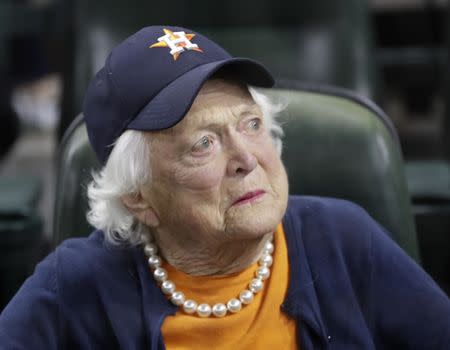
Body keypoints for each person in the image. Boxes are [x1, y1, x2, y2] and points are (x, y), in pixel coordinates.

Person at [0, 25, 449, 350]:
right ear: (138, 196)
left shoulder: (343, 238)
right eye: (204, 143)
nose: (247, 159)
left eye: (251, 124)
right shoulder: (74, 286)